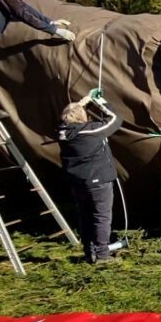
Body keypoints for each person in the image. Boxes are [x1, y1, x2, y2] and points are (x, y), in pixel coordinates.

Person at [56, 91, 121, 264]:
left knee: (85, 216)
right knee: (101, 216)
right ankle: (102, 255)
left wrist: (82, 103)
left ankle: (89, 252)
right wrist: (102, 102)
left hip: (77, 182)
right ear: (83, 118)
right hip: (97, 180)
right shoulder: (89, 131)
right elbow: (115, 120)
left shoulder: (62, 131)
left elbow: (69, 116)